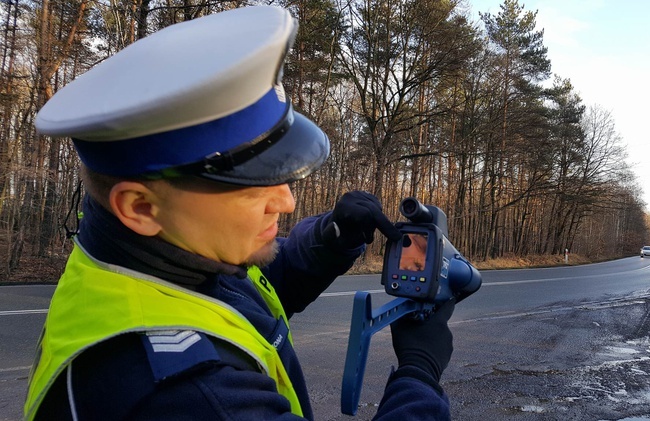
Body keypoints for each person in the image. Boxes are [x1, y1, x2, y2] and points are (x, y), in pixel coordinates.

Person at [24, 5, 455, 421]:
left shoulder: (154, 259)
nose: (286, 201)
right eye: (251, 186)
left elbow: (248, 293)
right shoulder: (189, 394)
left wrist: (333, 236)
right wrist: (419, 376)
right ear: (140, 207)